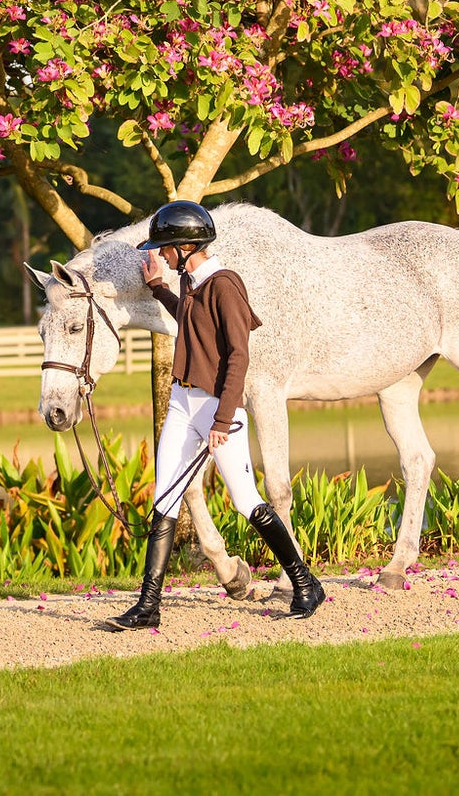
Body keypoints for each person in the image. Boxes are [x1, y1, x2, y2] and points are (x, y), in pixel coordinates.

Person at [111, 200, 326, 628]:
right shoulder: (191, 282)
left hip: (215, 407)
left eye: (166, 250)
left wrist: (223, 420)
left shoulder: (225, 285)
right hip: (181, 401)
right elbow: (191, 326)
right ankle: (149, 605)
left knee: (247, 501)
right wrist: (158, 288)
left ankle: (305, 583)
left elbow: (238, 356)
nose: (163, 256)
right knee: (165, 498)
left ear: (187, 246)